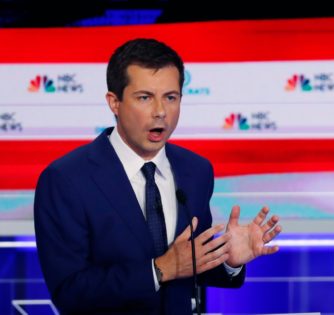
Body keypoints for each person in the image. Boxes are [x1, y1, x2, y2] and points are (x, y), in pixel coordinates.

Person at [34, 38, 281, 315]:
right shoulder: (66, 180)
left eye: (170, 97)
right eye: (145, 97)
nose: (160, 111)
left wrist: (228, 261)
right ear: (114, 102)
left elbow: (189, 265)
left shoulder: (196, 171)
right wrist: (160, 269)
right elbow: (70, 291)